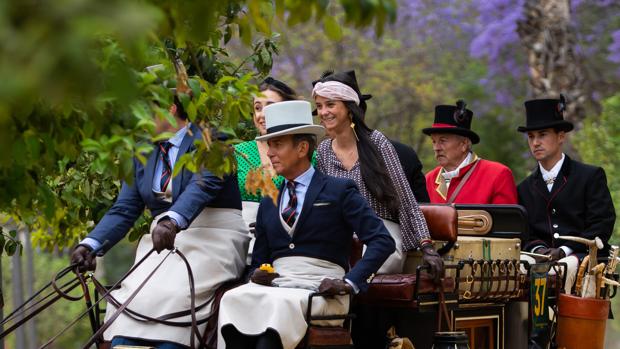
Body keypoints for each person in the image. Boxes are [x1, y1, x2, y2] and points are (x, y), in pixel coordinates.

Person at [70, 94, 250, 348]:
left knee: (175, 296)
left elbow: (204, 184)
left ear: (170, 108)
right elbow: (125, 208)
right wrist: (90, 245)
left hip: (213, 236)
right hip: (162, 241)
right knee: (132, 299)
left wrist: (172, 220)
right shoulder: (142, 149)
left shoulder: (214, 140)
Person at [217, 100, 395, 349]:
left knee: (271, 324)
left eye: (277, 144)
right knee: (233, 300)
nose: (269, 153)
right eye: (269, 145)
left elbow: (382, 241)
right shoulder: (269, 202)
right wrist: (256, 273)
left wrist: (349, 282)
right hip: (278, 287)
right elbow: (260, 260)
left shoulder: (339, 190)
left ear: (302, 148)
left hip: (323, 289)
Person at [313, 70, 442, 277]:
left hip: (380, 232)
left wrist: (426, 246)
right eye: (319, 106)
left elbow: (406, 200)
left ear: (349, 108)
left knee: (375, 262)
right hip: (341, 235)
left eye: (330, 104)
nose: (323, 112)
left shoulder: (377, 143)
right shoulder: (323, 151)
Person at [517, 95, 615, 293]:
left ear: (561, 136)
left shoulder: (590, 176)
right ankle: (526, 324)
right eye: (531, 137)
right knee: (516, 267)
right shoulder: (524, 188)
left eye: (542, 134)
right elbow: (526, 233)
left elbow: (601, 224)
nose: (535, 142)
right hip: (540, 262)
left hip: (582, 258)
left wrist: (564, 250)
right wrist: (539, 251)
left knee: (564, 267)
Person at [423, 100, 518, 204]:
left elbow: (506, 220)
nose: (436, 148)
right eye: (434, 141)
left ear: (464, 144)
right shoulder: (428, 180)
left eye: (443, 141)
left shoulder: (498, 175)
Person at [235, 77, 299, 222]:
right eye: (257, 108)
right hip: (244, 234)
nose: (262, 114)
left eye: (270, 107)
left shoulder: (306, 154)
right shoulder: (238, 153)